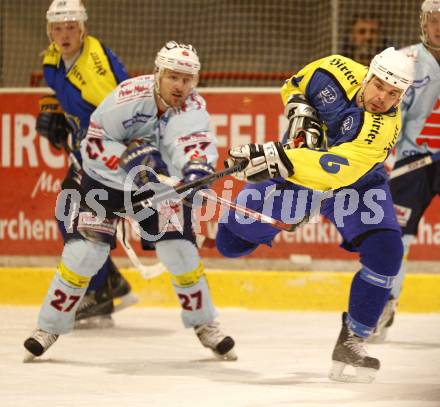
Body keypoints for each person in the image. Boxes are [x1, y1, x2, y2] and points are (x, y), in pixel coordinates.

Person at [23, 40, 237, 362]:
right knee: (84, 253)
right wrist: (128, 161)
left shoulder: (193, 107)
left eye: (186, 78)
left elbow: (193, 144)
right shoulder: (127, 96)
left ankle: (205, 323)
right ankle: (49, 326)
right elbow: (93, 141)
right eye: (173, 77)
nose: (180, 85)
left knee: (179, 251)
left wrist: (195, 171)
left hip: (155, 189)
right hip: (105, 182)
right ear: (158, 73)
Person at [216, 47, 414, 383]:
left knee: (387, 249)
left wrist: (278, 158)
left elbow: (336, 171)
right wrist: (299, 107)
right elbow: (295, 83)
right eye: (379, 85)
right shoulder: (334, 69)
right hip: (298, 172)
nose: (382, 97)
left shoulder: (383, 128)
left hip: (354, 184)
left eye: (393, 94)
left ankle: (353, 338)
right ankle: (272, 212)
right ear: (368, 74)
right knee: (229, 244)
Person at [35, 0, 136, 329]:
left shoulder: (94, 73)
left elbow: (122, 118)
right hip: (86, 150)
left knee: (74, 215)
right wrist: (55, 111)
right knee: (73, 215)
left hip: (105, 152)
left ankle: (100, 288)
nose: (65, 35)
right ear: (50, 31)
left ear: (84, 29)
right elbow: (60, 90)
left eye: (71, 28)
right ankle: (107, 282)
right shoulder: (52, 57)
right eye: (58, 28)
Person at [370, 0, 440, 342]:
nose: (439, 26)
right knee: (395, 238)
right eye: (434, 19)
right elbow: (389, 116)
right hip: (413, 161)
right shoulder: (407, 63)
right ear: (423, 22)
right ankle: (384, 303)